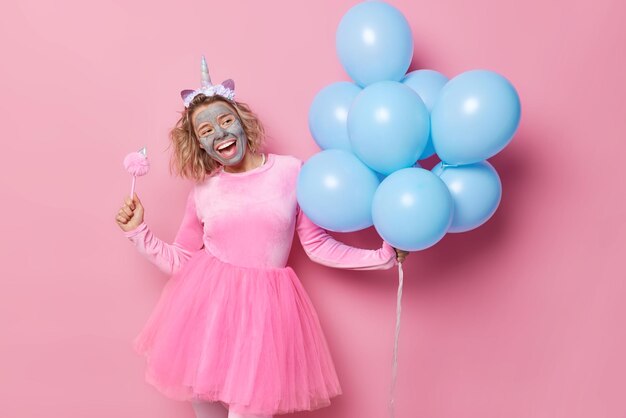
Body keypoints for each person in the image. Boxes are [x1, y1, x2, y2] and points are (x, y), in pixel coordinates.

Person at [115, 57, 409, 418]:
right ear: (199, 144)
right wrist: (138, 231)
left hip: (265, 316)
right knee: (203, 405)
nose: (219, 133)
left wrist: (380, 255)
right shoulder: (204, 191)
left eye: (226, 121)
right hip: (209, 316)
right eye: (206, 130)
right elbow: (182, 260)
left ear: (242, 124)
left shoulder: (290, 172)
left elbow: (316, 245)